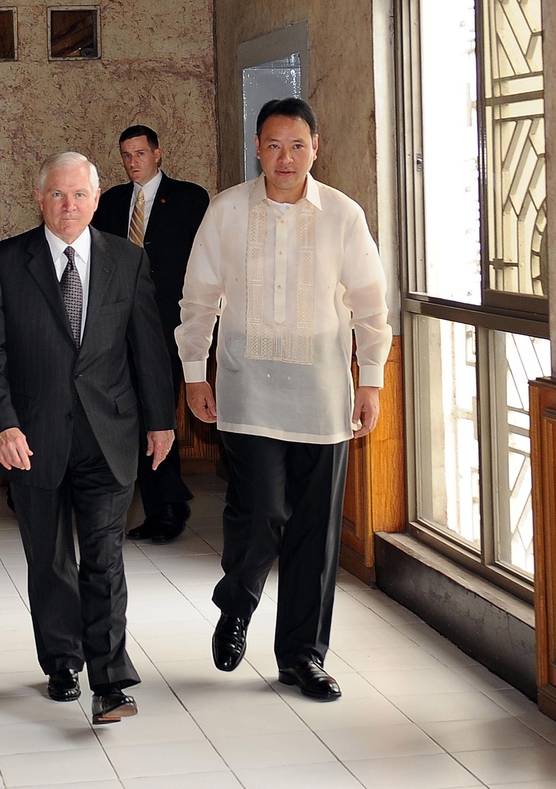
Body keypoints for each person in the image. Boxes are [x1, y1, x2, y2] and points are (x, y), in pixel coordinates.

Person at [176, 98, 392, 702]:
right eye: (273, 145)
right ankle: (238, 604)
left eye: (297, 146)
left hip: (323, 396)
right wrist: (196, 372)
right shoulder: (226, 211)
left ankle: (302, 656)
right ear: (257, 148)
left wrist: (370, 379)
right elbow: (199, 297)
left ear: (316, 148)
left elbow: (370, 304)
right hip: (247, 391)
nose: (286, 158)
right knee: (260, 510)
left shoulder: (343, 216)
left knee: (315, 532)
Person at [0, 152, 176, 725]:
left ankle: (110, 682)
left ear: (97, 197)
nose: (69, 206)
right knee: (50, 558)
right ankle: (62, 659)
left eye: (80, 195)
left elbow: (148, 347)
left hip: (110, 433)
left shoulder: (126, 260)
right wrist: (0, 424)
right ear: (40, 199)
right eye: (58, 195)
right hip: (30, 439)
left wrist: (161, 420)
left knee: (104, 558)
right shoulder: (5, 262)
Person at [92, 125, 209, 543]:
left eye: (140, 153)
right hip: (121, 327)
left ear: (158, 154)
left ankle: (169, 507)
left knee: (160, 413)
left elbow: (203, 262)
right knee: (136, 416)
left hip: (171, 325)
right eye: (126, 155)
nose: (133, 162)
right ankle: (163, 505)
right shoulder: (111, 202)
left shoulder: (189, 198)